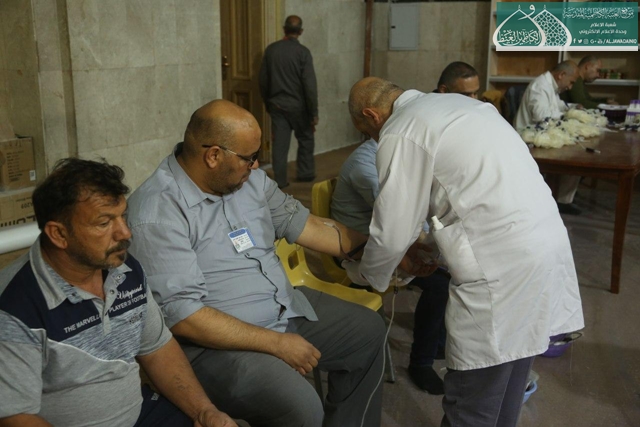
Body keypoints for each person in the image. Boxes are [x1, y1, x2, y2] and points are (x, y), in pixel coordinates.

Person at [126, 100, 387, 427]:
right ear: (213, 156)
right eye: (248, 158)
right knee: (301, 407)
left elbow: (308, 226)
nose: (256, 165)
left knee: (368, 332)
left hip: (283, 307)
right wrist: (277, 343)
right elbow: (185, 318)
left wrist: (382, 250)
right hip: (214, 346)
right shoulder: (157, 212)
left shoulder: (249, 181)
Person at [347, 77, 584, 427]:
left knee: (473, 406)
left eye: (367, 133)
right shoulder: (464, 106)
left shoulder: (401, 129)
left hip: (500, 269)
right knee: (508, 386)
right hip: (543, 247)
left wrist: (367, 276)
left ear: (371, 115)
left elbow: (392, 232)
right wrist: (431, 249)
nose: (372, 140)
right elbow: (474, 196)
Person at [0, 158, 235, 427]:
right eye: (104, 223)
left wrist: (203, 411)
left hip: (141, 413)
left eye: (122, 216)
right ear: (59, 234)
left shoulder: (123, 268)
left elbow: (157, 347)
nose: (124, 233)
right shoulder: (14, 305)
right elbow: (15, 416)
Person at [331, 137, 449, 395]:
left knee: (447, 269)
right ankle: (421, 363)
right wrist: (418, 247)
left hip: (380, 240)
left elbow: (413, 208)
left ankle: (438, 343)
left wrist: (428, 241)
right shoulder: (365, 164)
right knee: (439, 283)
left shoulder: (394, 156)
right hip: (354, 248)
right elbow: (394, 217)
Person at [515, 60, 582, 215]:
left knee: (577, 147)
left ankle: (563, 197)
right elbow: (542, 117)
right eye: (571, 82)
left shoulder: (551, 86)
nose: (570, 87)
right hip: (529, 137)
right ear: (562, 75)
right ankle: (562, 199)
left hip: (543, 133)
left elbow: (559, 106)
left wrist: (573, 108)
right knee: (574, 154)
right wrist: (568, 115)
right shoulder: (541, 86)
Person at [259, 15, 318, 189]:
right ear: (301, 31)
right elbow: (310, 85)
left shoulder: (271, 50)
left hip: (277, 105)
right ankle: (305, 174)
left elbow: (263, 81)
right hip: (299, 107)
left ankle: (280, 180)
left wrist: (268, 104)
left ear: (284, 29)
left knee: (280, 144)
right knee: (306, 139)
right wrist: (313, 113)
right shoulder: (303, 52)